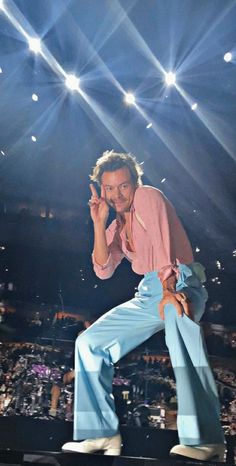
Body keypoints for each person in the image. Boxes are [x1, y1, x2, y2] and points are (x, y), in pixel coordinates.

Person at [62, 151, 225, 460]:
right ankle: (100, 434)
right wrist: (99, 223)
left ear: (135, 182)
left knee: (180, 329)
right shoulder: (116, 227)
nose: (117, 194)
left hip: (179, 280)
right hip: (147, 293)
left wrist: (168, 288)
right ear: (102, 189)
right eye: (109, 188)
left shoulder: (149, 197)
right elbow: (103, 269)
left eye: (123, 186)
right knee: (88, 343)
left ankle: (206, 439)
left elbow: (165, 244)